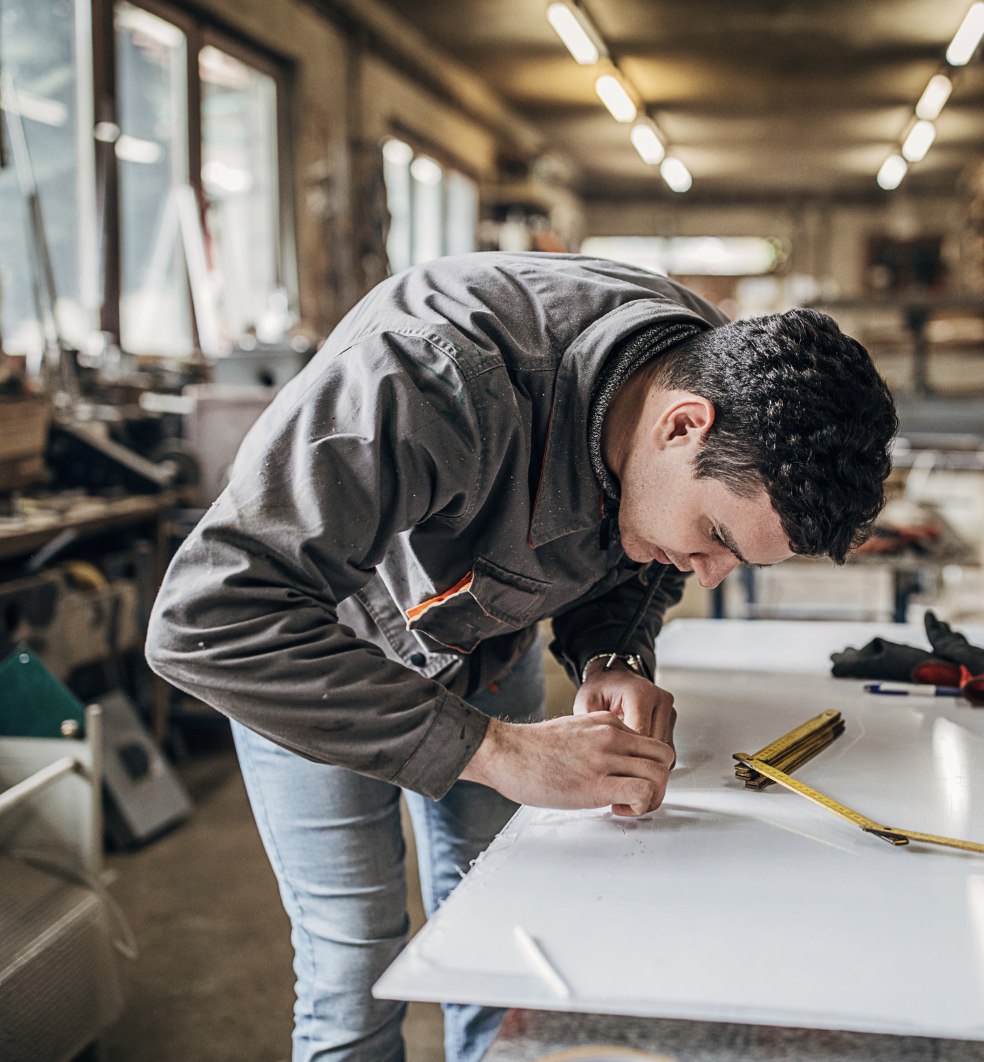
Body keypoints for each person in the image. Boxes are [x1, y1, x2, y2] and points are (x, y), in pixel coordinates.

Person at [146, 252, 899, 1062]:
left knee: (497, 934)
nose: (708, 573)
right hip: (312, 653)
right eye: (715, 538)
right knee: (356, 959)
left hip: (486, 637)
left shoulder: (718, 376)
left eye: (738, 562)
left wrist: (613, 654)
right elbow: (207, 619)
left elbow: (635, 546)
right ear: (683, 426)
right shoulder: (423, 379)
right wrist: (494, 749)